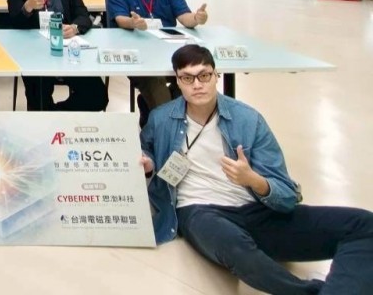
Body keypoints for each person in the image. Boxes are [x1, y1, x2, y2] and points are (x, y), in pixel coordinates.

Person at [141, 45, 373, 294]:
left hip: (256, 209)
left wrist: (252, 179)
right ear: (178, 81)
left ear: (216, 75)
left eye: (204, 75)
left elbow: (285, 194)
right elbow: (146, 153)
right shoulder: (161, 118)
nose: (197, 85)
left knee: (364, 225)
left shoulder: (248, 119)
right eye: (187, 78)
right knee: (234, 247)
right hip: (200, 210)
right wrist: (149, 164)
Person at [108, 0, 209, 125]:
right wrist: (133, 23)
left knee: (193, 75)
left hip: (168, 50)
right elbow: (120, 19)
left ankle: (155, 111)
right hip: (138, 54)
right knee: (154, 81)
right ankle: (168, 126)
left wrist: (196, 18)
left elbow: (184, 17)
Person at [7, 0, 107, 111]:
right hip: (33, 52)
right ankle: (47, 118)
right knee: (39, 101)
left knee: (97, 96)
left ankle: (57, 114)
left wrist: (74, 27)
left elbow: (83, 16)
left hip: (68, 50)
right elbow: (15, 22)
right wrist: (27, 7)